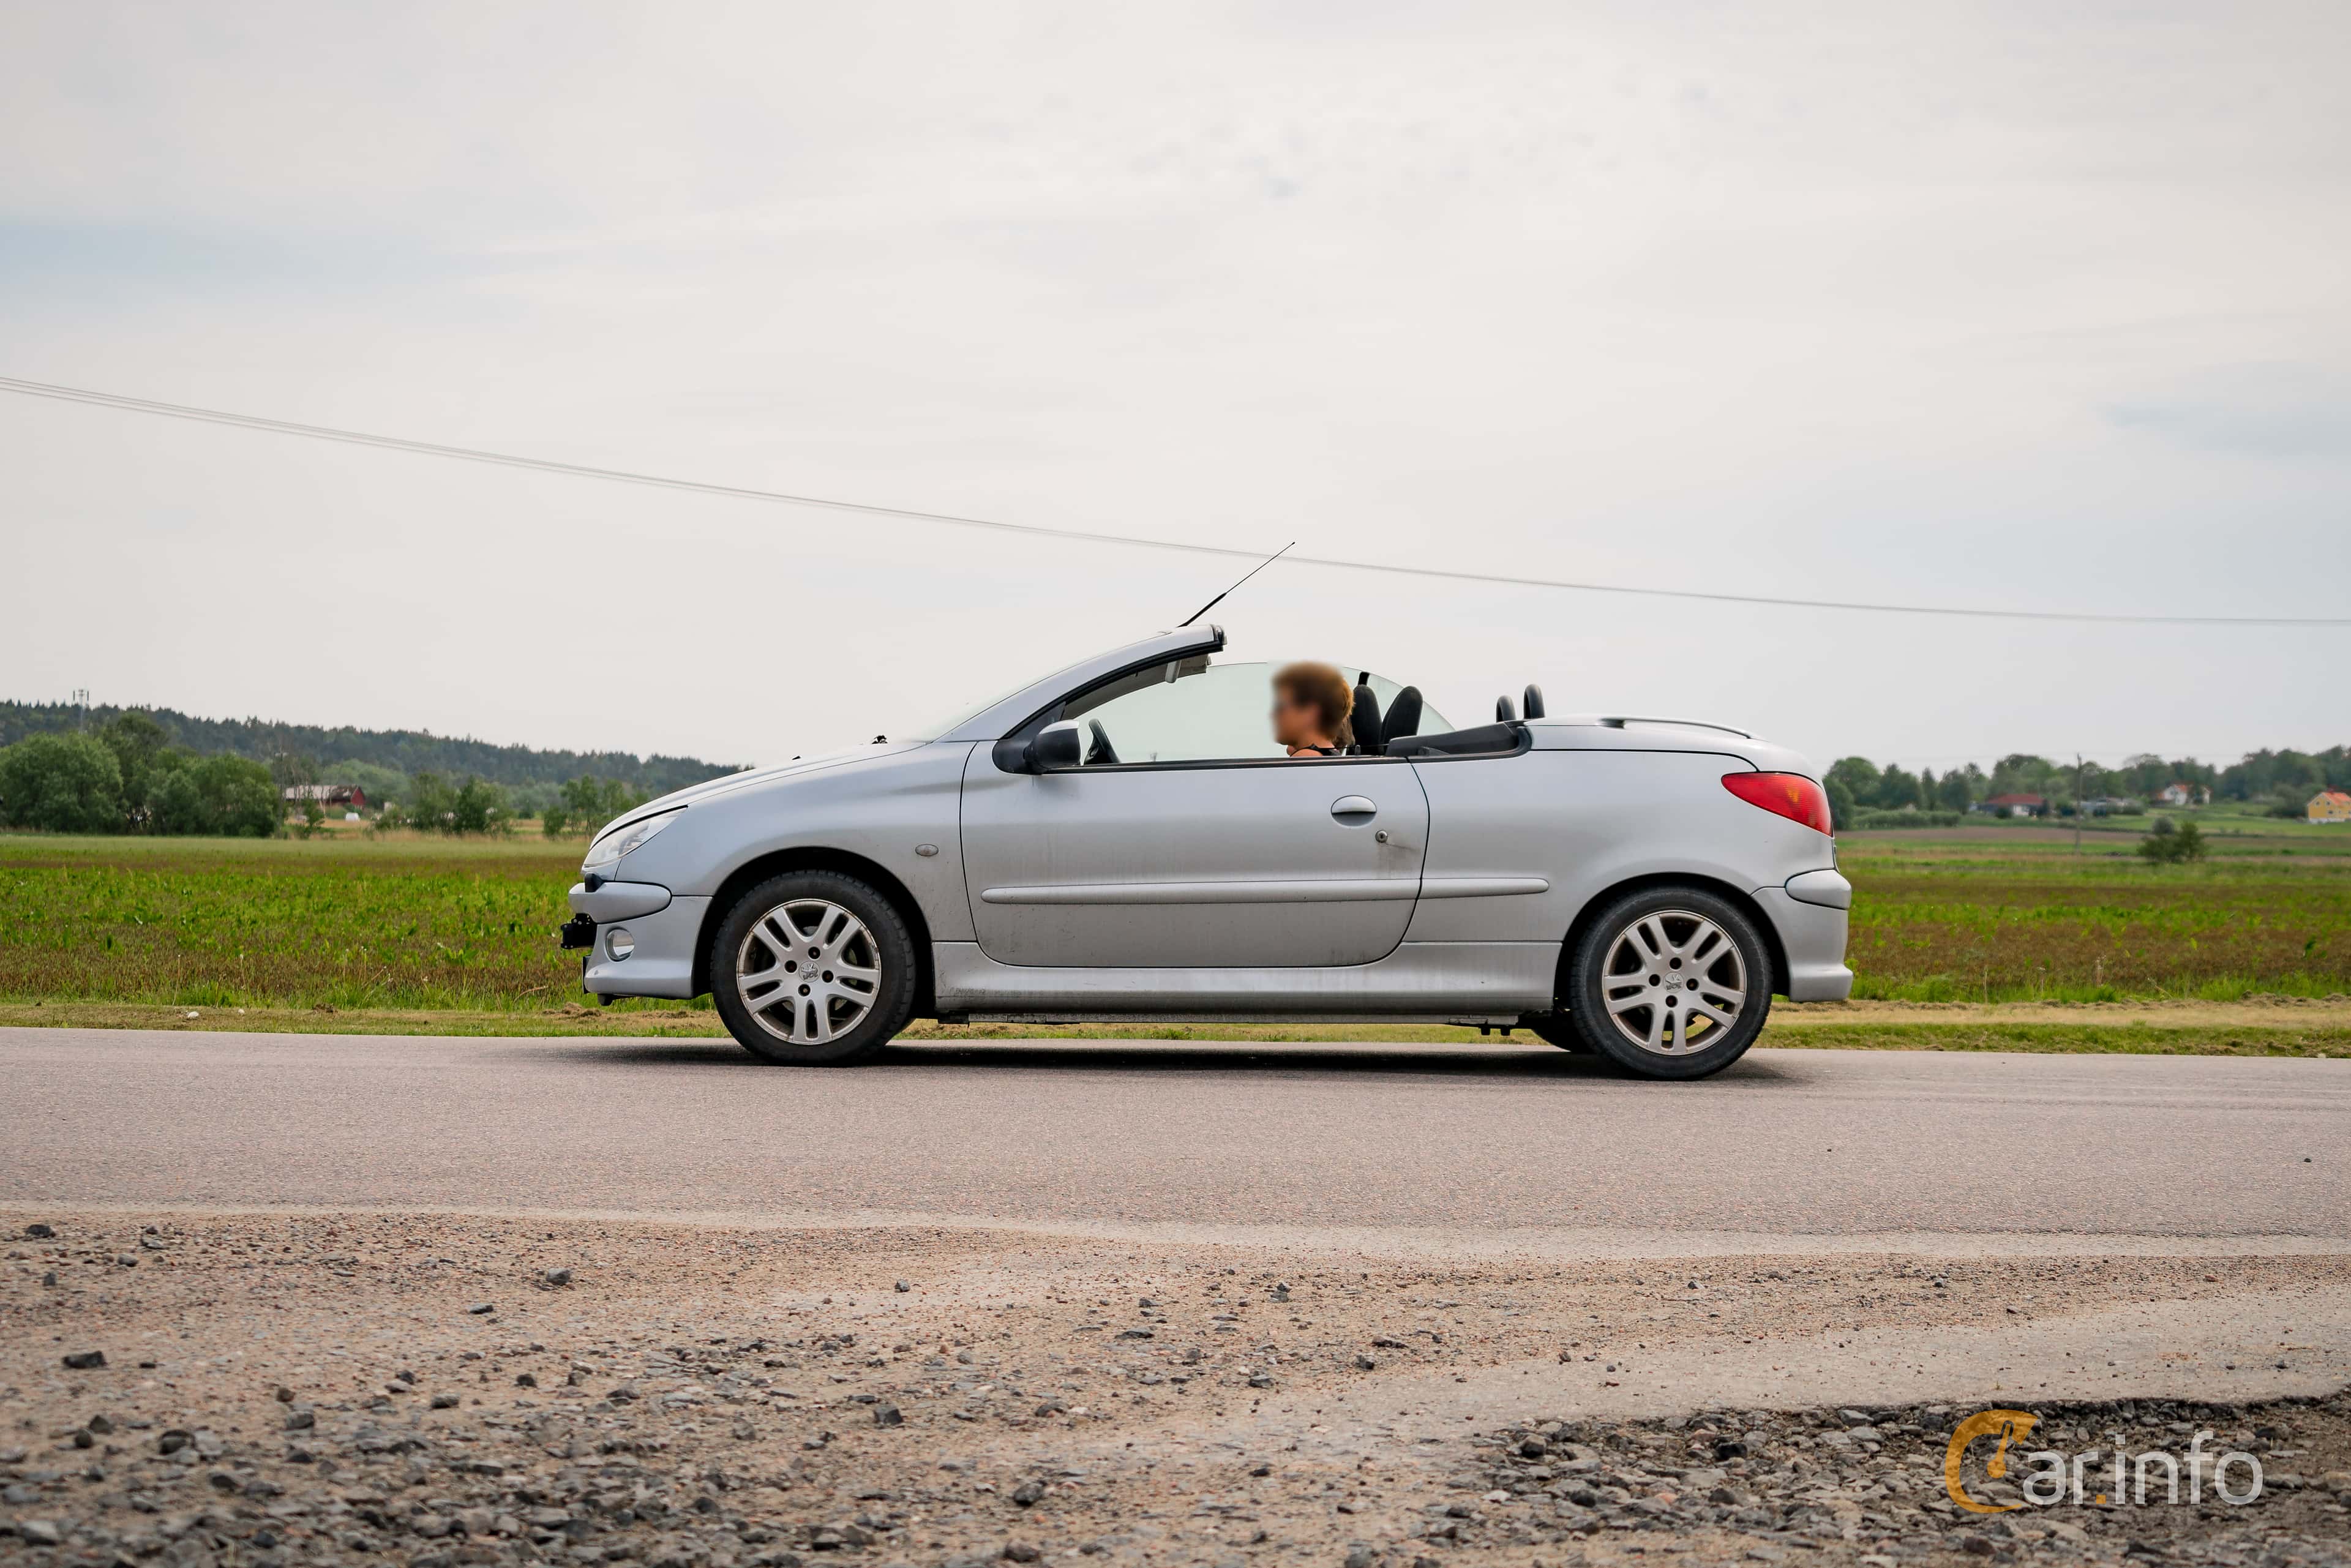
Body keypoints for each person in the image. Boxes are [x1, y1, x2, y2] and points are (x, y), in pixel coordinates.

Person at [1270, 661, 1355, 757]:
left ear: (1309, 713)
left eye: (1280, 706)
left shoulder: (1304, 758)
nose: (1272, 714)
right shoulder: (1332, 756)